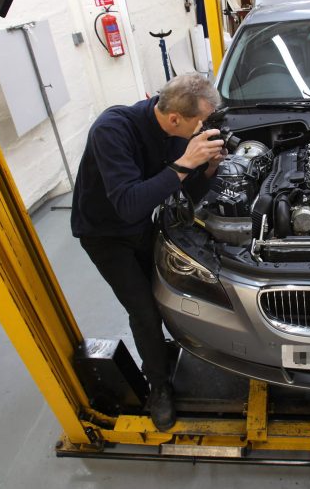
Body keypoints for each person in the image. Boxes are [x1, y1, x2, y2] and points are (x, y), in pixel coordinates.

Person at [71, 74, 225, 429]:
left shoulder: (175, 133)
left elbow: (190, 192)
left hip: (142, 225)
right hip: (105, 234)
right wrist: (186, 163)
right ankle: (158, 386)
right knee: (142, 310)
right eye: (200, 122)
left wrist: (209, 167)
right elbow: (128, 204)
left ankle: (160, 350)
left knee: (163, 291)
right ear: (175, 119)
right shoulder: (112, 130)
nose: (205, 128)